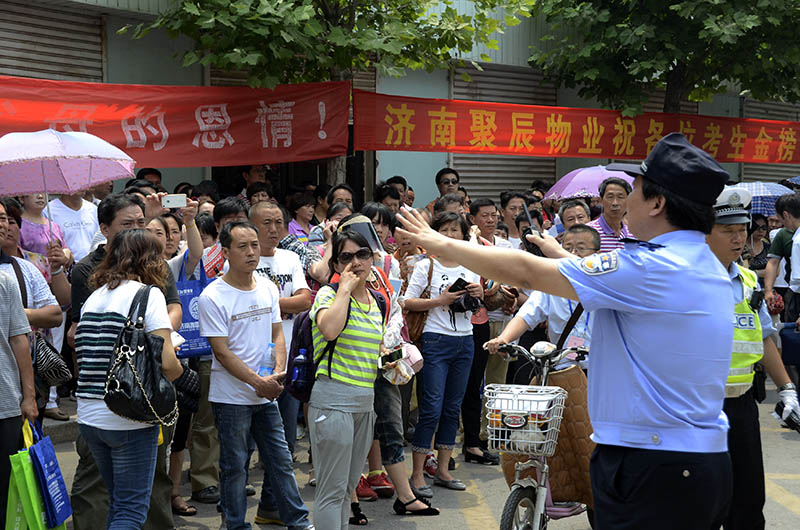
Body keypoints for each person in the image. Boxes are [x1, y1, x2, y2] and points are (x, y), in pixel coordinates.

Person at [396, 133, 737, 529]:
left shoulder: (653, 268)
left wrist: (439, 242)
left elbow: (526, 271)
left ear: (658, 203)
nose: (625, 202)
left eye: (636, 191)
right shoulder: (696, 262)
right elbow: (590, 276)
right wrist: (560, 254)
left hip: (654, 465)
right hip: (687, 461)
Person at [69, 194, 184, 530]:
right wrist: (182, 377)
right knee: (132, 509)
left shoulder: (94, 298)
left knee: (119, 500)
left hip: (91, 415)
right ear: (150, 261)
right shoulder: (148, 295)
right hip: (129, 416)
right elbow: (167, 363)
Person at [198, 221, 312, 530]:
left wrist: (276, 371)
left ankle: (298, 521)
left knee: (281, 460)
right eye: (242, 246)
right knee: (235, 466)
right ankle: (234, 524)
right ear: (225, 252)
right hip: (231, 397)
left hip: (267, 392)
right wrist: (257, 382)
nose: (251, 252)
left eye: (254, 245)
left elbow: (277, 332)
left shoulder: (267, 287)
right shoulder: (213, 296)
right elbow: (221, 352)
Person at [705, 188, 800, 530]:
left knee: (747, 502)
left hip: (741, 405)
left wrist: (787, 388)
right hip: (696, 408)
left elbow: (762, 338)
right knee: (701, 502)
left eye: (741, 230)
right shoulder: (685, 280)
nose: (738, 238)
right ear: (704, 231)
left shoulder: (747, 281)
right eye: (727, 231)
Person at [308, 229, 387, 530]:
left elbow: (372, 351)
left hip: (364, 405)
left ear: (372, 257)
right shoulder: (329, 295)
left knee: (347, 487)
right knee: (331, 490)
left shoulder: (376, 302)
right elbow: (329, 330)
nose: (356, 262)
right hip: (333, 402)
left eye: (362, 254)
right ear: (336, 263)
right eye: (346, 257)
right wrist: (343, 289)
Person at [404, 212, 482, 496]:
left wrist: (477, 294)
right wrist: (441, 300)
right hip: (435, 341)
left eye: (455, 230)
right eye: (444, 230)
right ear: (434, 234)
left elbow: (478, 307)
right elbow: (407, 301)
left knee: (452, 407)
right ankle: (417, 474)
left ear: (463, 235)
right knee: (432, 407)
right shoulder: (427, 266)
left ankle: (444, 470)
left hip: (465, 341)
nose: (450, 235)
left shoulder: (472, 265)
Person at [484, 224, 601, 373]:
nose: (573, 253)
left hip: (601, 368)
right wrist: (504, 338)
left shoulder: (607, 286)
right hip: (562, 368)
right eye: (567, 248)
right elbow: (526, 315)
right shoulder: (551, 285)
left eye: (581, 249)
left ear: (598, 254)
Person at [0, 264, 34, 526]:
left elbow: (19, 339)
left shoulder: (4, 281)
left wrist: (29, 396)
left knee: (4, 494)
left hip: (5, 404)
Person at [45, 192, 99, 262]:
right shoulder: (48, 210)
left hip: (93, 264)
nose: (81, 185)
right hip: (66, 266)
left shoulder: (93, 209)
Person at [586, 177, 633, 252]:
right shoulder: (588, 232)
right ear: (601, 201)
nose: (615, 203)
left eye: (620, 197)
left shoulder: (633, 234)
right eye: (610, 197)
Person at [743, 213, 770, 281]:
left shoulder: (769, 247)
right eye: (757, 228)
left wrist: (754, 273)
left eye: (764, 228)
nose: (761, 231)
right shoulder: (741, 247)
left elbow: (775, 271)